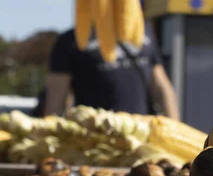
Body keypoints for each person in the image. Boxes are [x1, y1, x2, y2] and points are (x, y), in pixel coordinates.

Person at [43, 27, 180, 120]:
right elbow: (56, 99)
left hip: (142, 135)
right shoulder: (70, 39)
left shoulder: (143, 30)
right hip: (96, 136)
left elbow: (161, 86)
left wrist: (175, 129)